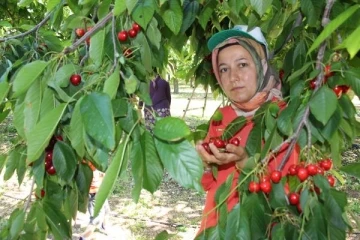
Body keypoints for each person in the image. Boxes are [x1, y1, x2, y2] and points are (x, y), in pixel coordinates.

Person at [195, 25, 299, 236]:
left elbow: (291, 195)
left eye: (242, 64)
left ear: (261, 66)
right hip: (216, 228)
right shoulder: (221, 116)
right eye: (224, 69)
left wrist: (247, 164)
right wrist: (204, 164)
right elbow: (206, 184)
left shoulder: (285, 118)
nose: (233, 76)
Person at [79, 163, 110, 240]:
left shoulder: (96, 159)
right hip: (94, 192)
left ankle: (104, 227)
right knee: (96, 217)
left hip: (100, 189)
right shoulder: (87, 161)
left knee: (106, 210)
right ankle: (84, 237)